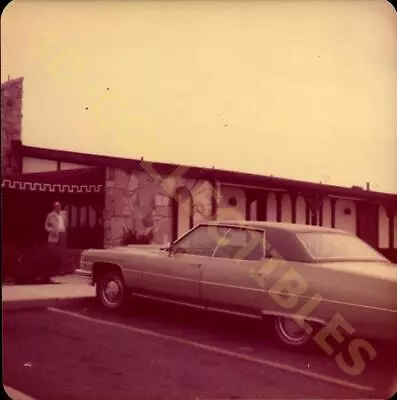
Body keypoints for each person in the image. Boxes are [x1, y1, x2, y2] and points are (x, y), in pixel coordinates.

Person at [44, 201, 68, 279]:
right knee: (53, 253)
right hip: (54, 236)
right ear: (54, 207)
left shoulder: (64, 214)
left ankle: (61, 270)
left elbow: (66, 223)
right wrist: (52, 230)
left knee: (62, 253)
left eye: (59, 206)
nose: (58, 207)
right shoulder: (50, 215)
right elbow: (46, 226)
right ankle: (52, 270)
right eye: (56, 206)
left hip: (62, 234)